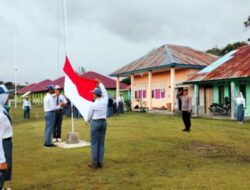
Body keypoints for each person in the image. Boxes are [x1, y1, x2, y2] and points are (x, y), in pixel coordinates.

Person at [86, 80, 108, 169]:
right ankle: (100, 162)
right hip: (103, 122)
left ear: (95, 95)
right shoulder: (105, 100)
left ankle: (94, 163)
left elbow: (89, 115)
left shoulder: (93, 104)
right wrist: (100, 83)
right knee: (101, 143)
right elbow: (105, 91)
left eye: (93, 94)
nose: (92, 95)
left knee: (94, 143)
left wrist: (87, 120)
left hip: (96, 123)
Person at [0, 85, 13, 189]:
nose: (9, 96)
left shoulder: (2, 108)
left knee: (5, 170)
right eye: (7, 94)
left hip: (6, 142)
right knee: (3, 169)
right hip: (3, 143)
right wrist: (1, 160)